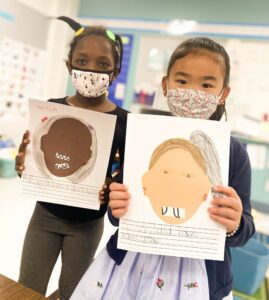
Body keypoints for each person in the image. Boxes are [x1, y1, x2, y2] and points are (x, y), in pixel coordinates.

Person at [70, 37, 255, 300]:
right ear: (165, 85)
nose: (193, 91)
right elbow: (117, 215)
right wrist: (117, 205)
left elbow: (245, 229)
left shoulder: (233, 153)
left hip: (199, 276)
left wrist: (234, 224)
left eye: (206, 84)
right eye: (182, 81)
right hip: (131, 265)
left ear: (223, 94)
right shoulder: (143, 138)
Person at [15, 16, 128, 300]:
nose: (91, 70)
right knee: (27, 288)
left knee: (73, 293)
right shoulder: (51, 109)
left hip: (88, 225)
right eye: (82, 61)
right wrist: (24, 166)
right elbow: (38, 162)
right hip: (45, 216)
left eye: (103, 64)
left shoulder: (124, 121)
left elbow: (125, 175)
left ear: (115, 72)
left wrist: (111, 186)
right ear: (69, 66)